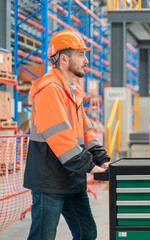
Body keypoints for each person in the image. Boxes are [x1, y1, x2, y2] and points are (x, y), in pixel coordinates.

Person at [24, 29, 110, 240]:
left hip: (71, 179)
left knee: (86, 233)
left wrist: (101, 158)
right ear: (64, 58)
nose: (86, 60)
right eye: (80, 54)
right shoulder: (50, 90)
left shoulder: (72, 90)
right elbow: (61, 138)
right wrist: (89, 166)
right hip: (49, 181)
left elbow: (85, 130)